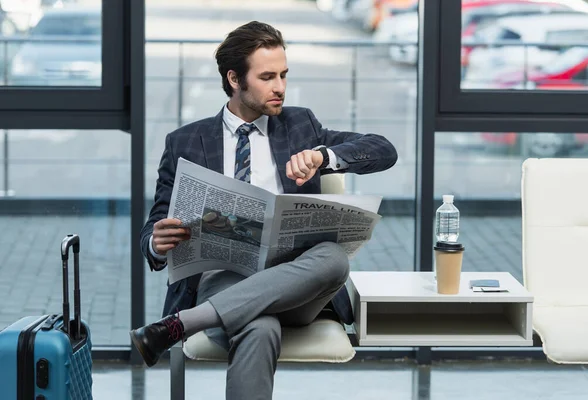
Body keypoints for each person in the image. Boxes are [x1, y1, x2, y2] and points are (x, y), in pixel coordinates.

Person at [130, 20, 398, 399]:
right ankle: (189, 322)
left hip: (298, 283)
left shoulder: (301, 125)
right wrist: (158, 242)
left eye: (284, 75)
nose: (280, 87)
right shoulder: (186, 142)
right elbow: (151, 232)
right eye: (268, 76)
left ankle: (178, 324)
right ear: (234, 79)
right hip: (224, 278)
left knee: (335, 259)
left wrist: (325, 156)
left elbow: (383, 150)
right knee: (259, 328)